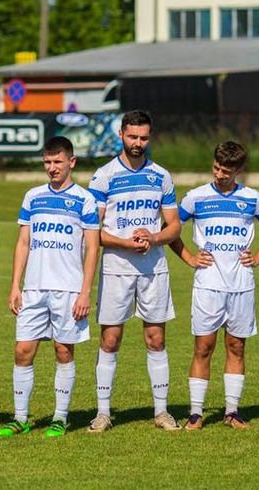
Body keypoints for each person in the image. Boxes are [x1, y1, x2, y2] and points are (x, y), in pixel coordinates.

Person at [170, 141, 259, 430]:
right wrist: (189, 257)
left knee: (236, 346)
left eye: (227, 170)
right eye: (217, 168)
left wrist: (257, 256)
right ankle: (196, 414)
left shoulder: (251, 198)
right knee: (203, 347)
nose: (220, 174)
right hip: (208, 284)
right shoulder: (196, 197)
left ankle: (232, 412)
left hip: (241, 285)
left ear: (239, 170)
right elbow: (171, 229)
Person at [0, 136, 99, 438]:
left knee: (63, 351)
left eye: (57, 162)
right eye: (47, 162)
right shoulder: (33, 196)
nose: (52, 167)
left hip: (68, 290)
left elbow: (93, 248)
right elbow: (24, 242)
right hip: (34, 289)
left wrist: (85, 291)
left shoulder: (85, 199)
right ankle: (20, 417)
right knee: (23, 350)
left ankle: (60, 417)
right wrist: (16, 285)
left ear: (72, 162)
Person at [87, 109, 182, 433]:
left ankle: (161, 412)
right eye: (132, 137)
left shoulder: (162, 176)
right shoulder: (104, 176)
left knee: (156, 338)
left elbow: (174, 226)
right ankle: (102, 413)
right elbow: (92, 230)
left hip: (153, 268)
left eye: (143, 138)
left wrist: (153, 238)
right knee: (110, 339)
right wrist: (125, 243)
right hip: (116, 267)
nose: (138, 143)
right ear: (121, 135)